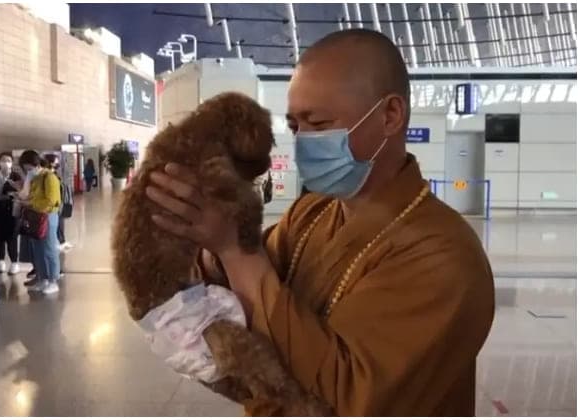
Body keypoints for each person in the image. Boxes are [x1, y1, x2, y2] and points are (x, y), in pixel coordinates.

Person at [144, 29, 495, 416]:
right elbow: (242, 280)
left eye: (319, 123)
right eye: (295, 127)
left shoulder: (444, 257)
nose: (303, 143)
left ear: (390, 115)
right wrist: (201, 235)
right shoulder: (313, 213)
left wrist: (231, 246)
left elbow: (346, 398)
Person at [18, 150, 61, 295]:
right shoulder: (34, 178)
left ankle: (53, 280)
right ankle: (42, 278)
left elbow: (52, 200)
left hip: (48, 216)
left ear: (36, 164)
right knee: (37, 250)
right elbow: (30, 195)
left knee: (49, 249)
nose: (29, 172)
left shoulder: (50, 177)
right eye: (26, 170)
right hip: (36, 216)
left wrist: (31, 205)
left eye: (30, 169)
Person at [0, 152, 23, 275]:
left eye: (8, 160)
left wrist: (5, 197)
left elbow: (19, 193)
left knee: (12, 238)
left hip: (12, 212)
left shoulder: (16, 177)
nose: (5, 162)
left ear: (12, 163)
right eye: (3, 160)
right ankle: (1, 261)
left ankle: (14, 263)